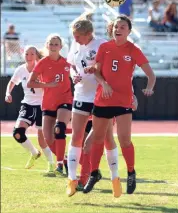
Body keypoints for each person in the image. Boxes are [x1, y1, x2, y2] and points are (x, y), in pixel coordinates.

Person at [84, 15, 156, 195]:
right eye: (117, 26)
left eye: (123, 26)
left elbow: (151, 74)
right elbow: (97, 73)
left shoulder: (133, 49)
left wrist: (149, 88)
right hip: (103, 99)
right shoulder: (104, 47)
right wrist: (104, 84)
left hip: (123, 100)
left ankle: (131, 172)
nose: (119, 29)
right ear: (112, 28)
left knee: (124, 140)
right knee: (98, 139)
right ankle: (94, 174)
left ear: (129, 31)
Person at [66, 19, 122, 198]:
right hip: (81, 95)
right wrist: (74, 75)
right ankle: (72, 180)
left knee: (105, 139)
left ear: (88, 33)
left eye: (78, 36)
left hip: (101, 97)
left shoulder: (102, 45)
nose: (75, 39)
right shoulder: (75, 44)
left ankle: (115, 179)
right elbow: (72, 66)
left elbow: (114, 71)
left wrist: (101, 77)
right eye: (73, 36)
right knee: (76, 137)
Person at [27, 34, 73, 176]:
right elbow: (30, 83)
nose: (53, 46)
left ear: (61, 47)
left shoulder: (67, 63)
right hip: (48, 103)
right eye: (51, 44)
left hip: (65, 100)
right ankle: (64, 159)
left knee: (59, 128)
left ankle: (59, 164)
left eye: (56, 44)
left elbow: (78, 76)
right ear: (47, 46)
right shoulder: (42, 63)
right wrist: (47, 85)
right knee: (48, 137)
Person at [5, 45, 54, 173]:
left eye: (32, 54)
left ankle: (51, 164)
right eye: (27, 54)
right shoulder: (21, 69)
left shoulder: (42, 68)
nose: (29, 56)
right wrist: (7, 93)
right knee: (17, 133)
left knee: (42, 139)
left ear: (37, 55)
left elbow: (50, 84)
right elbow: (12, 82)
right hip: (27, 104)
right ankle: (34, 153)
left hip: (42, 105)